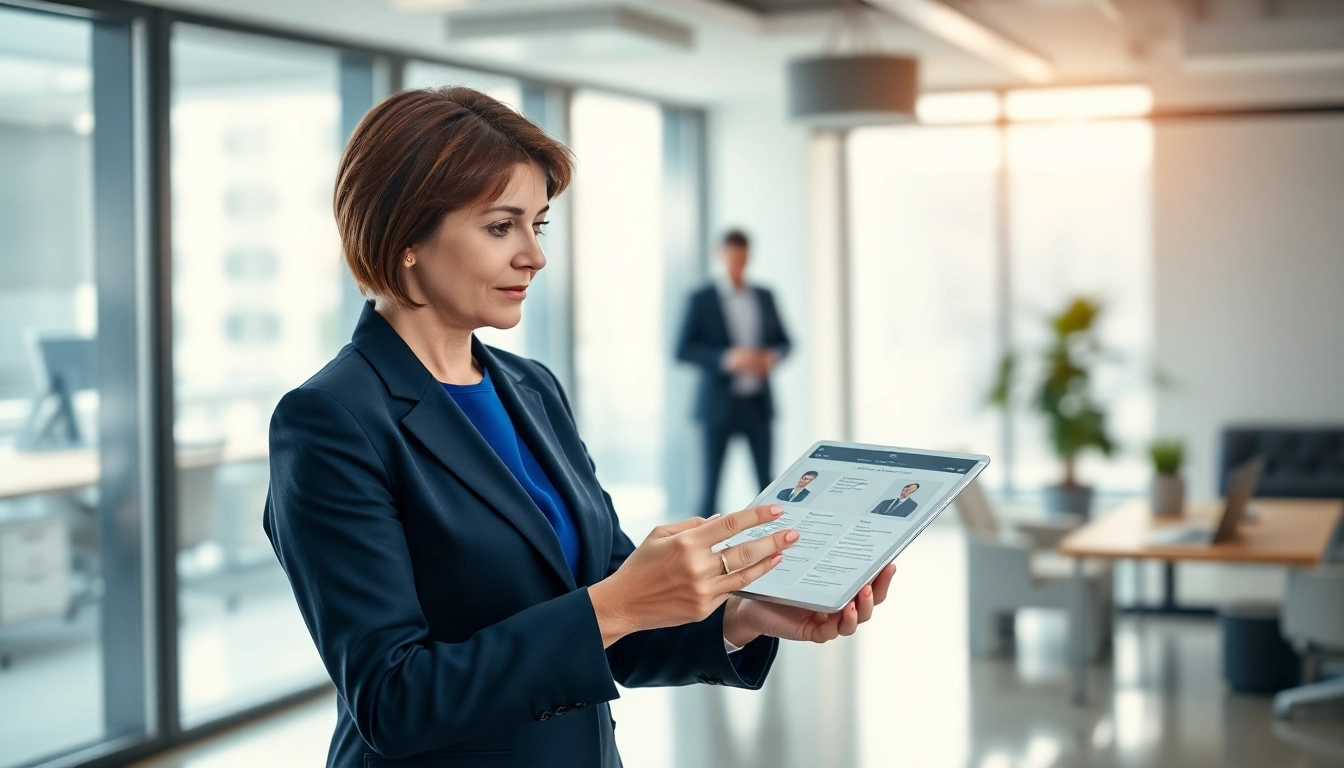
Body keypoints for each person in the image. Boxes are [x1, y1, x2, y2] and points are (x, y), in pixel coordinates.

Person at [263, 87, 896, 768]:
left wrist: (744, 618)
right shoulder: (331, 420)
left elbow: (613, 607)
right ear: (405, 235)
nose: (533, 256)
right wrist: (615, 606)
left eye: (538, 226)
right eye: (501, 227)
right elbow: (393, 697)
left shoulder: (531, 388)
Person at [676, 230, 792, 519]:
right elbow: (682, 349)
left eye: (742, 258)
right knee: (710, 486)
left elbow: (785, 341)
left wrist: (772, 356)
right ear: (721, 256)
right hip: (718, 407)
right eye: (732, 257)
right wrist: (726, 359)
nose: (737, 263)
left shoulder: (765, 296)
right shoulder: (702, 299)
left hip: (757, 404)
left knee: (767, 482)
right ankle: (702, 548)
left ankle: (775, 542)